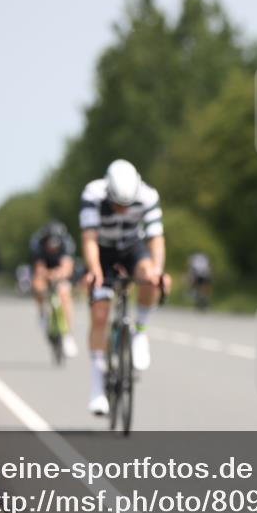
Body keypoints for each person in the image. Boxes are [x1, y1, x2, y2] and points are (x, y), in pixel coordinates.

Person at [80, 159, 169, 416]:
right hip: (103, 250)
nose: (121, 210)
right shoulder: (93, 194)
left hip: (132, 247)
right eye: (117, 204)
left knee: (150, 276)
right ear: (108, 192)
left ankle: (140, 331)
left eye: (126, 206)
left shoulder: (149, 195)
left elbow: (156, 238)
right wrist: (95, 270)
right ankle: (97, 387)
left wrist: (158, 270)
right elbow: (89, 238)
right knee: (100, 313)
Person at [30, 221, 78, 358]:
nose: (52, 247)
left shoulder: (67, 244)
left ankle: (68, 335)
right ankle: (42, 315)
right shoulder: (38, 245)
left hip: (60, 270)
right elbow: (39, 268)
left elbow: (67, 267)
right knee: (37, 285)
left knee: (64, 294)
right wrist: (47, 275)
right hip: (45, 270)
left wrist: (58, 274)